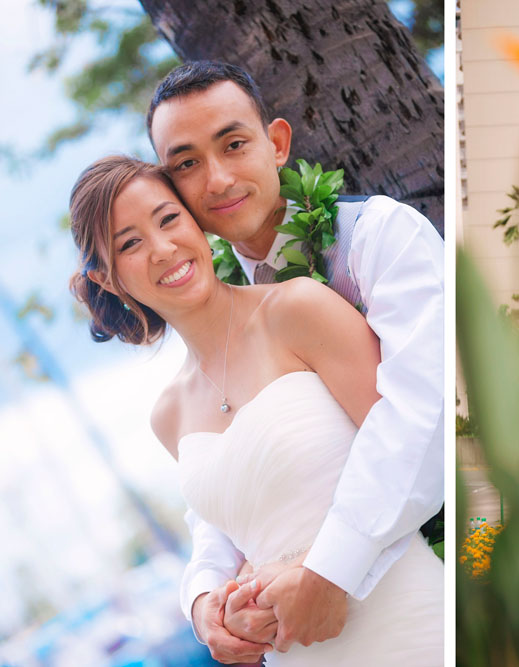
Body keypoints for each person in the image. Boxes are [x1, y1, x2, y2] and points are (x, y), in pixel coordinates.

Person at [68, 156, 443, 665]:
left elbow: (415, 450)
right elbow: (225, 526)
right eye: (129, 244)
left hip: (409, 626)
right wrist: (205, 604)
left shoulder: (296, 309)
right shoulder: (168, 415)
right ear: (108, 279)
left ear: (197, 222)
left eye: (169, 219)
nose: (162, 249)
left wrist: (327, 573)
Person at [144, 62, 444, 662]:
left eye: (233, 144)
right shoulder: (220, 313)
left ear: (277, 143)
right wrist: (203, 600)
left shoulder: (377, 236)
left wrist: (329, 571)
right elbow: (233, 481)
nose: (218, 178)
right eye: (187, 164)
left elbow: (421, 419)